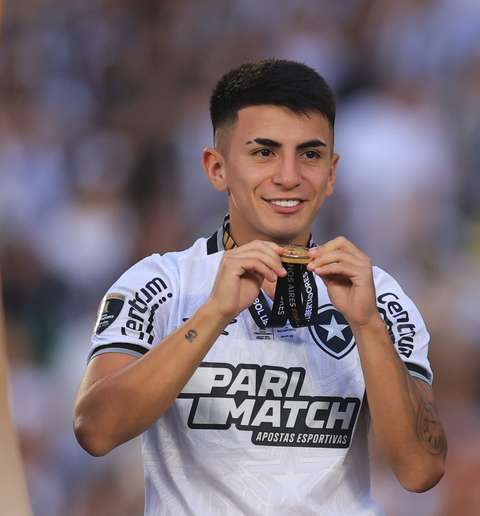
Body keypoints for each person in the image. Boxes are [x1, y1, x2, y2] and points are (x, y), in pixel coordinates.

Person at [73, 59, 446, 515]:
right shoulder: (161, 283)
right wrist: (213, 314)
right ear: (217, 168)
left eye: (309, 154)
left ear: (331, 173)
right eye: (264, 152)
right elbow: (95, 429)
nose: (288, 176)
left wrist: (368, 326)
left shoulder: (377, 295)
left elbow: (420, 470)